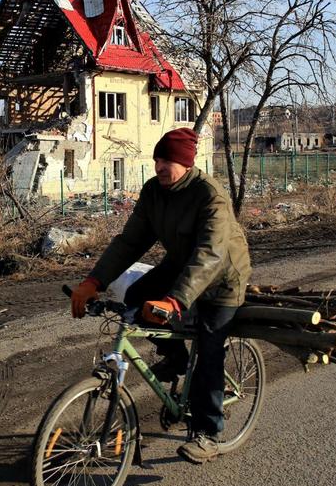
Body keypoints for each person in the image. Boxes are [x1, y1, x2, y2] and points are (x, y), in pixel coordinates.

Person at [69, 127, 251, 464]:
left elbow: (210, 254)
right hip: (182, 264)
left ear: (185, 162)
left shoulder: (210, 195)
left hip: (223, 277)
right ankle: (177, 356)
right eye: (156, 159)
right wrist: (94, 280)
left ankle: (208, 433)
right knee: (137, 296)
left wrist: (176, 300)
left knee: (210, 349)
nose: (159, 166)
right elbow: (130, 242)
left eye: (166, 160)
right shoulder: (154, 192)